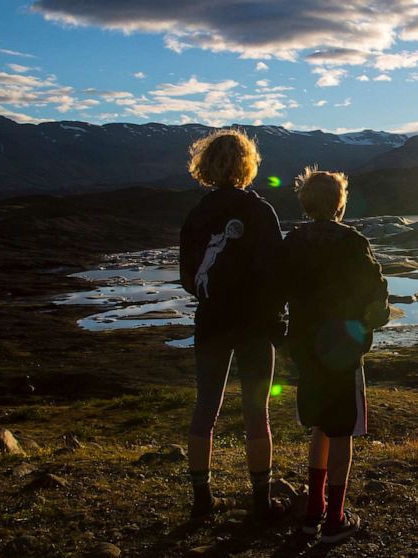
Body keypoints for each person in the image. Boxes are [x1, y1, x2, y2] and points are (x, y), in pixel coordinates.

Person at [179, 129, 286, 521]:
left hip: (211, 321)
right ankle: (262, 501)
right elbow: (276, 272)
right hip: (255, 324)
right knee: (257, 412)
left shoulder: (197, 215)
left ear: (205, 166)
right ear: (247, 165)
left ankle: (202, 499)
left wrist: (212, 295)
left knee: (205, 408)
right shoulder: (260, 212)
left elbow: (189, 277)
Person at [283, 168, 390, 543]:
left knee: (320, 427)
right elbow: (376, 293)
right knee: (342, 431)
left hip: (306, 350)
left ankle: (314, 512)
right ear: (340, 202)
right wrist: (372, 323)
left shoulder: (293, 242)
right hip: (343, 352)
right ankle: (336, 519)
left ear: (305, 202)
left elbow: (280, 290)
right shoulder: (352, 242)